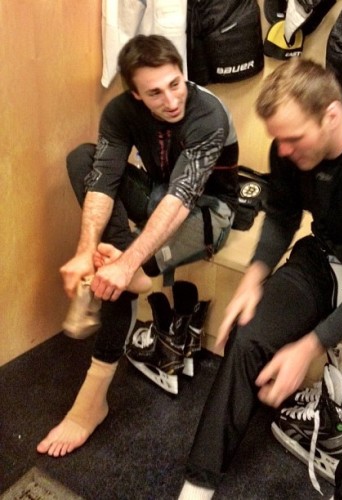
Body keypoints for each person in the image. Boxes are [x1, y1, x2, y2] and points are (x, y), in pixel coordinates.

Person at [178, 58, 342, 500]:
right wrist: (254, 277)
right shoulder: (290, 148)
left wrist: (310, 345)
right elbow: (281, 214)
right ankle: (199, 484)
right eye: (278, 140)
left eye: (293, 139)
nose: (283, 152)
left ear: (332, 115)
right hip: (323, 256)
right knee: (249, 332)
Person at [37, 34, 239, 457]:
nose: (170, 100)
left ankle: (91, 401)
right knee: (82, 158)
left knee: (122, 270)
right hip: (156, 197)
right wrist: (84, 249)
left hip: (207, 210)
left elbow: (181, 199)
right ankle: (123, 272)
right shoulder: (120, 112)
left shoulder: (209, 116)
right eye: (154, 92)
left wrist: (127, 263)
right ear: (135, 94)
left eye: (175, 84)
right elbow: (104, 178)